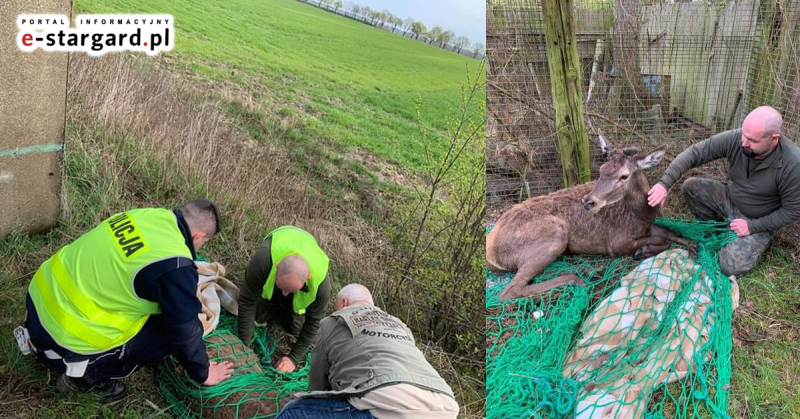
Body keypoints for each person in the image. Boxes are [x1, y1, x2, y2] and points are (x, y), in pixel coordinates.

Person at [19, 199, 234, 402]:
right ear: (198, 237)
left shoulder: (147, 215)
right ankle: (87, 377)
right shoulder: (175, 266)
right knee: (168, 334)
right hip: (63, 336)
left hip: (38, 300)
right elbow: (184, 331)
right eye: (204, 242)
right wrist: (204, 373)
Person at [648, 106, 800, 277]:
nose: (744, 142)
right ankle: (718, 229)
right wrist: (664, 183)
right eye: (744, 134)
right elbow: (695, 153)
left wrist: (752, 226)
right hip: (731, 200)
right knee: (691, 187)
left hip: (758, 219)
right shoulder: (737, 139)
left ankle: (755, 242)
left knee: (727, 267)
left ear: (774, 139)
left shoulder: (793, 164)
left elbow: (793, 210)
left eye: (752, 140)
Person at [277, 284, 460, 419]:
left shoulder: (334, 320)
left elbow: (318, 380)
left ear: (344, 302)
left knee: (293, 412)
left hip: (391, 406)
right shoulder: (400, 325)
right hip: (445, 405)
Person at [237, 225, 331, 373]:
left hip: (297, 275)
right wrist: (244, 345)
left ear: (308, 277)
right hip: (278, 247)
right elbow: (247, 300)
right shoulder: (263, 259)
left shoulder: (321, 283)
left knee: (294, 328)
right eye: (282, 288)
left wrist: (294, 358)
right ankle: (272, 303)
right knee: (258, 315)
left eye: (291, 290)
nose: (285, 293)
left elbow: (314, 322)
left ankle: (284, 307)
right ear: (277, 266)